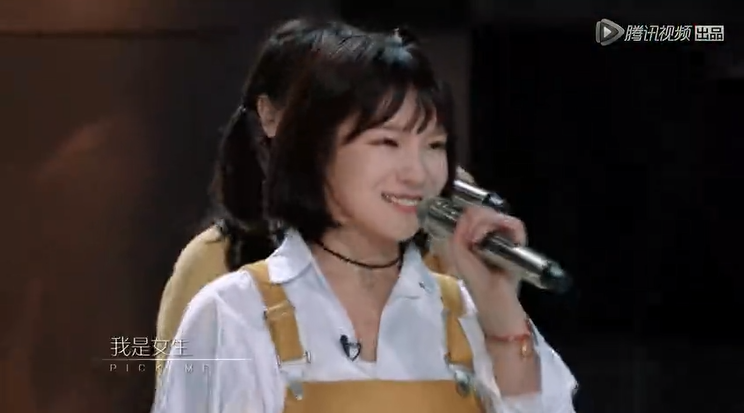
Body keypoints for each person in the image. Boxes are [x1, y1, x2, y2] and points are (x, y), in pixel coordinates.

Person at [153, 27, 577, 413]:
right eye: (388, 142)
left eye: (434, 146)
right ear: (316, 153)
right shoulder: (234, 314)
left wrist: (501, 314)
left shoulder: (466, 312)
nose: (418, 173)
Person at [154, 18, 481, 376]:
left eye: (432, 145)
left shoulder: (431, 262)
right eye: (387, 141)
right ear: (270, 114)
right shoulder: (217, 276)